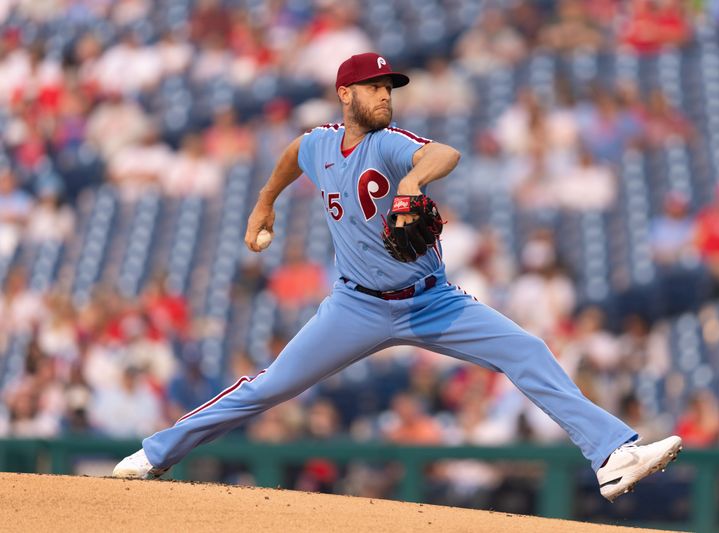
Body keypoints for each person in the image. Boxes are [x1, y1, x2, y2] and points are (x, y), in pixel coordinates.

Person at [113, 52, 682, 502]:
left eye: (390, 87)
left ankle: (611, 455)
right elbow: (292, 153)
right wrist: (265, 203)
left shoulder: (389, 143)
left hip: (432, 301)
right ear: (346, 95)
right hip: (354, 308)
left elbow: (445, 153)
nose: (385, 95)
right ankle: (155, 453)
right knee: (267, 387)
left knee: (527, 350)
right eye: (374, 87)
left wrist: (411, 184)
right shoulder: (319, 145)